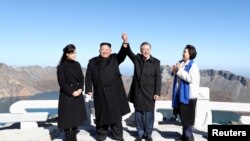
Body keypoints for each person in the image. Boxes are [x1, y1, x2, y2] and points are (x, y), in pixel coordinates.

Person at [85, 39, 130, 141]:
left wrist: (125, 43)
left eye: (107, 49)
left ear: (110, 50)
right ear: (99, 50)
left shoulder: (115, 58)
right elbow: (88, 77)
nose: (104, 51)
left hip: (115, 93)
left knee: (116, 116)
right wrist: (88, 89)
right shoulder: (92, 62)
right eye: (102, 49)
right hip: (100, 93)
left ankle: (118, 136)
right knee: (101, 116)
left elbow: (122, 54)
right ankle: (101, 136)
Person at [122, 33, 161, 141]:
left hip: (150, 92)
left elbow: (158, 78)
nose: (146, 51)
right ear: (140, 50)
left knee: (149, 114)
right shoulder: (137, 59)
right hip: (138, 92)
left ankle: (148, 134)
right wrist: (125, 41)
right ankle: (140, 133)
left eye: (147, 49)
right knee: (138, 114)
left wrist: (157, 92)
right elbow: (128, 52)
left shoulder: (156, 62)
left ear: (150, 50)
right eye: (143, 49)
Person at [57, 44, 87, 141]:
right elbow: (62, 83)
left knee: (75, 119)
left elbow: (82, 78)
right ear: (67, 54)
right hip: (67, 96)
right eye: (72, 53)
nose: (75, 55)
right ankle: (68, 137)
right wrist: (72, 92)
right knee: (67, 120)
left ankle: (73, 137)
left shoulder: (77, 64)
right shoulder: (61, 67)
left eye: (75, 53)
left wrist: (80, 89)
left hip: (77, 94)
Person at [171, 45, 200, 141]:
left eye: (185, 52)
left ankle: (189, 137)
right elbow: (177, 75)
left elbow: (190, 78)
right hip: (181, 94)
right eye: (183, 51)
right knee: (183, 117)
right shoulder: (181, 63)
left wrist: (179, 70)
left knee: (187, 118)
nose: (183, 53)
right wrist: (174, 70)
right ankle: (184, 135)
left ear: (190, 54)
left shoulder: (193, 65)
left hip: (189, 96)